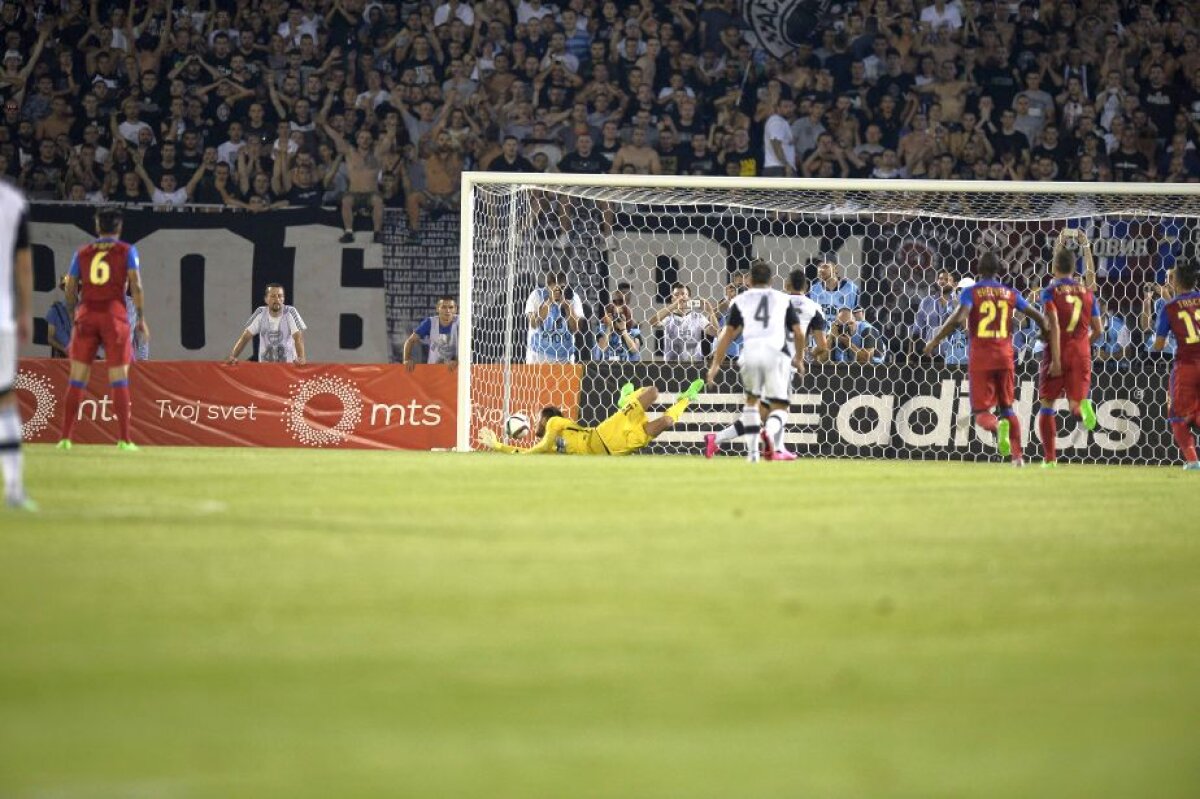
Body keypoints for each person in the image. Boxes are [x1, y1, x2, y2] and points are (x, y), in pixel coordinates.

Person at [924, 251, 1051, 467]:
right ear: (998, 270)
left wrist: (935, 340)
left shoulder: (972, 293)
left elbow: (958, 319)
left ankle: (995, 426)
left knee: (982, 413)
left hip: (981, 358)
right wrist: (1045, 333)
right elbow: (1037, 315)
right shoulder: (1009, 293)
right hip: (1005, 357)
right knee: (1008, 408)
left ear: (978, 270)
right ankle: (1018, 456)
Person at [705, 268, 828, 460]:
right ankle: (773, 445)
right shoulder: (810, 307)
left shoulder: (777, 300)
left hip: (753, 355)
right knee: (778, 408)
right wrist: (803, 356)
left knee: (761, 410)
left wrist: (715, 365)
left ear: (786, 285)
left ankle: (719, 439)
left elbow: (729, 333)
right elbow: (821, 344)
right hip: (782, 358)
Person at [57, 207, 150, 452]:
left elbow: (70, 286)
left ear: (97, 227)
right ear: (119, 228)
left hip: (87, 313)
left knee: (77, 378)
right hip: (114, 315)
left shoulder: (82, 253)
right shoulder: (127, 251)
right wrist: (140, 318)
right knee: (118, 379)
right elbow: (137, 286)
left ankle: (66, 437)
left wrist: (72, 313)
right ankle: (124, 439)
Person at [478, 379, 704, 455]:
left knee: (652, 392)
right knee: (666, 422)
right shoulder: (550, 448)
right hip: (617, 450)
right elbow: (522, 452)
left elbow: (535, 449)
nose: (536, 422)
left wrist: (536, 449)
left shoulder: (557, 424)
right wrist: (497, 445)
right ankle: (687, 399)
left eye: (539, 419)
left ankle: (625, 400)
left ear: (548, 418)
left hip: (605, 433)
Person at [1036, 230, 1103, 468]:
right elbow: (1099, 330)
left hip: (1057, 351)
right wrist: (1084, 344)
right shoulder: (1087, 293)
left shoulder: (1051, 291)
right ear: (1075, 270)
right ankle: (1083, 410)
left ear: (1054, 268)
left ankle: (1050, 459)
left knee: (1047, 403)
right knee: (1076, 404)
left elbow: (1052, 325)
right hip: (1081, 352)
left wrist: (1059, 243)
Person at [0, 179, 34, 509]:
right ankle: (13, 488)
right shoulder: (12, 201)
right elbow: (23, 264)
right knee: (5, 400)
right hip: (1, 317)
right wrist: (25, 311)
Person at [1150, 262, 1200, 470]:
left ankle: (1193, 461)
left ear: (1176, 282)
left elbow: (1159, 345)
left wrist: (1151, 349)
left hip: (1186, 366)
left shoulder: (1169, 308)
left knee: (1177, 415)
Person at [225, 284, 307, 364]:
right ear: (266, 299)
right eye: (273, 296)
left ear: (284, 298)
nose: (277, 299)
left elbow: (298, 338)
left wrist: (301, 358)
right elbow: (245, 337)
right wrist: (232, 356)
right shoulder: (260, 313)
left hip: (287, 369)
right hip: (265, 370)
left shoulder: (291, 312)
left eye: (280, 296)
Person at [650, 283, 718, 362]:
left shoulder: (698, 317)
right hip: (671, 366)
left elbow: (716, 332)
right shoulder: (668, 318)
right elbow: (653, 322)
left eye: (683, 294)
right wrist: (674, 305)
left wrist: (711, 312)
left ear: (689, 298)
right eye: (676, 294)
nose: (680, 297)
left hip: (694, 365)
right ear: (672, 299)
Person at [525, 272, 583, 363]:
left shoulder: (573, 297)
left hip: (565, 357)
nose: (558, 291)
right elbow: (534, 324)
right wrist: (550, 301)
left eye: (562, 288)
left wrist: (567, 307)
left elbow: (576, 328)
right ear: (548, 287)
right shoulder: (536, 295)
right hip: (539, 356)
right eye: (554, 288)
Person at [403, 296, 458, 369]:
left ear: (455, 309)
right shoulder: (430, 322)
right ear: (437, 309)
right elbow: (410, 341)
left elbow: (470, 346)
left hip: (457, 370)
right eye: (444, 307)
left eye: (451, 307)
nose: (447, 310)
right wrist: (406, 359)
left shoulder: (461, 322)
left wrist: (457, 360)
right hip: (433, 369)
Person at [45, 275, 72, 358]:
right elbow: (50, 338)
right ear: (63, 289)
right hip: (62, 360)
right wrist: (64, 350)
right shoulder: (55, 310)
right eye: (67, 287)